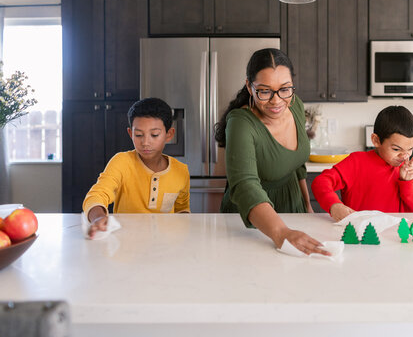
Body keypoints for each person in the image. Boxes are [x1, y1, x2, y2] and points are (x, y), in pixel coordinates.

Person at [214, 48, 330, 256]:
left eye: (285, 89)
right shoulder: (241, 123)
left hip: (293, 210)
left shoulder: (295, 106)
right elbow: (244, 185)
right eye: (265, 91)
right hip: (254, 220)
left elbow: (298, 165)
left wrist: (307, 207)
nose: (277, 101)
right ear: (250, 87)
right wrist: (281, 232)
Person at [83, 98, 190, 238]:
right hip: (126, 243)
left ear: (169, 134)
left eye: (154, 135)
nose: (145, 142)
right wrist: (98, 218)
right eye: (139, 135)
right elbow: (97, 195)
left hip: (164, 246)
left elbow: (182, 211)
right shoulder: (121, 162)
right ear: (130, 133)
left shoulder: (181, 171)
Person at [311, 105, 413, 221]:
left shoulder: (403, 170)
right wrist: (334, 205)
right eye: (396, 149)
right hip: (359, 235)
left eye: (410, 149)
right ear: (376, 140)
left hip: (395, 235)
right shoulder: (357, 162)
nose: (404, 156)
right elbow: (321, 182)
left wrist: (407, 182)